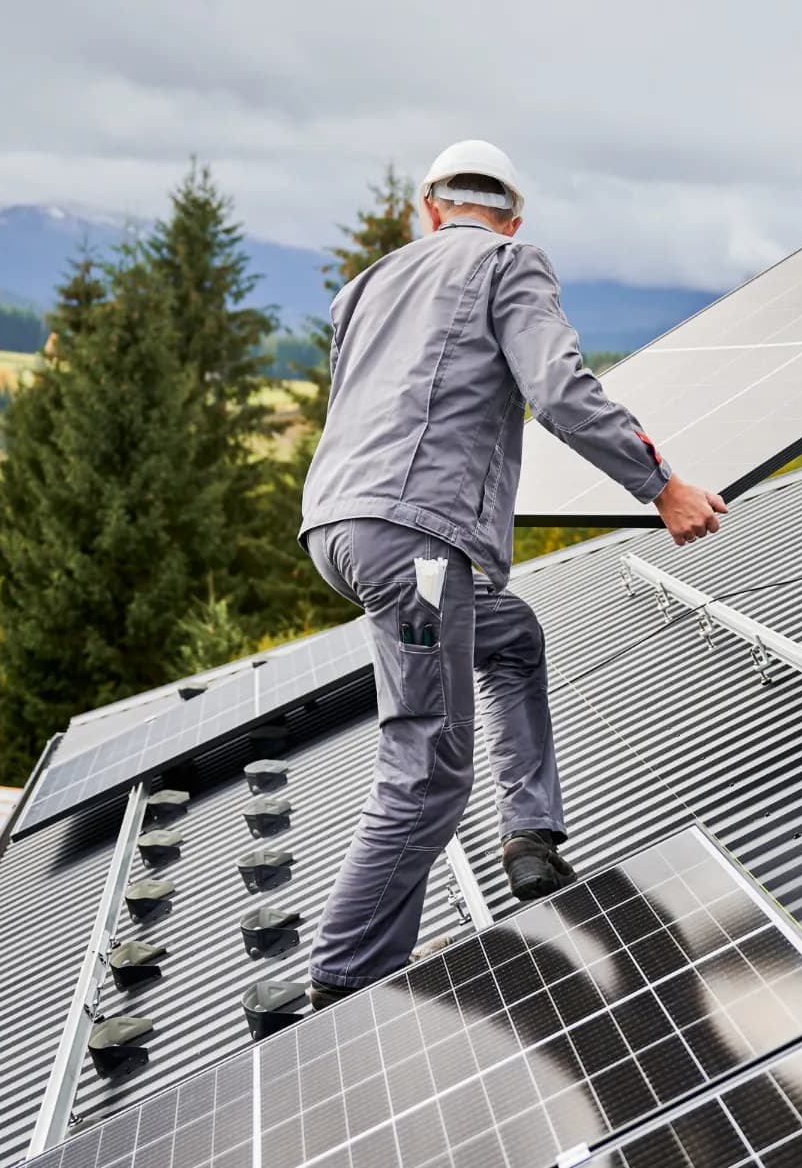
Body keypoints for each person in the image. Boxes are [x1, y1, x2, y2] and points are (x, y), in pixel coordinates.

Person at [298, 139, 726, 1005]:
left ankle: (530, 834)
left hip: (337, 528)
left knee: (512, 635)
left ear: (431, 209)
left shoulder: (368, 283)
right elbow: (559, 391)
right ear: (513, 219)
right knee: (429, 764)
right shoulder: (509, 263)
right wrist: (661, 484)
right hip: (414, 546)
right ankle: (346, 976)